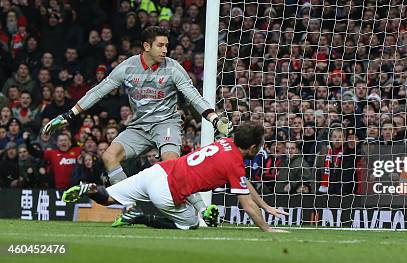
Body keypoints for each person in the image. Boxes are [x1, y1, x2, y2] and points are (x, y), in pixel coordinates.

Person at [41, 26, 232, 224]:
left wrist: (214, 119)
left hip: (166, 123)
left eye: (166, 45)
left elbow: (193, 96)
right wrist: (70, 114)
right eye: (160, 45)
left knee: (170, 164)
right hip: (139, 126)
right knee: (109, 157)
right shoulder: (128, 67)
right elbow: (99, 91)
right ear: (147, 46)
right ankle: (131, 209)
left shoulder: (173, 67)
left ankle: (203, 209)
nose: (165, 50)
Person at [62, 122, 289, 232]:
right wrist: (266, 228)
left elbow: (243, 183)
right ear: (251, 147)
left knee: (107, 198)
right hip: (167, 191)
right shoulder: (235, 164)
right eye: (258, 146)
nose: (260, 149)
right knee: (190, 225)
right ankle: (139, 217)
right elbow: (247, 205)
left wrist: (266, 206)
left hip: (159, 170)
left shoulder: (225, 142)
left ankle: (89, 188)